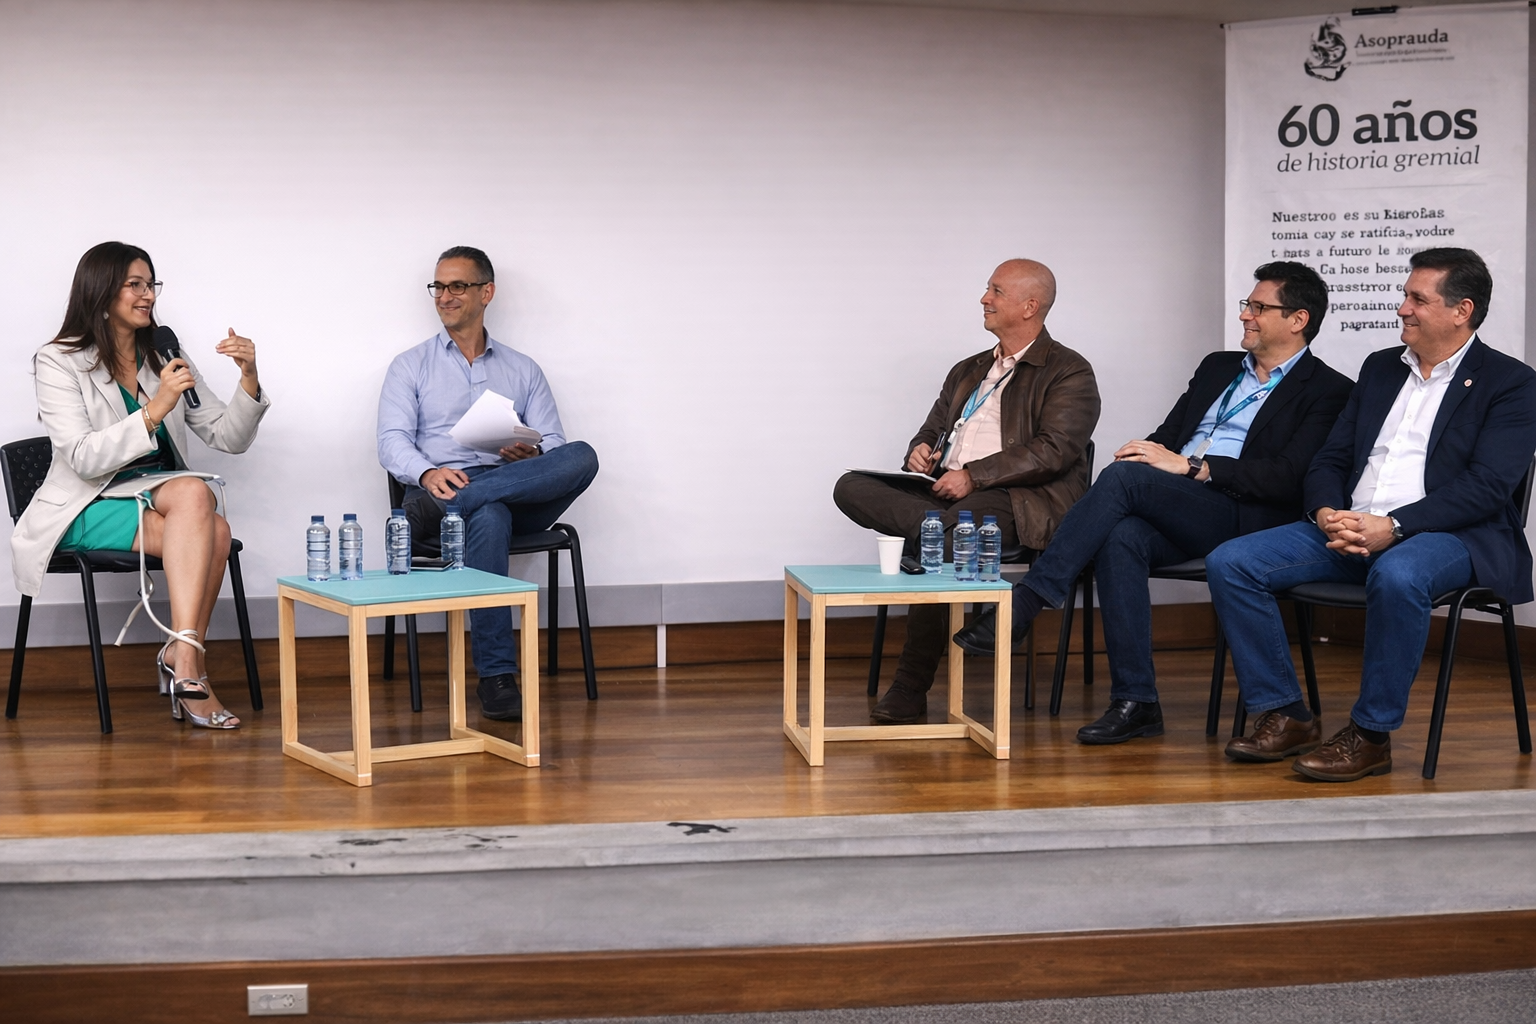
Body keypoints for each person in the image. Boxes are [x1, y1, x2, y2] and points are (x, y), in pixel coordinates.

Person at [953, 262, 1354, 744]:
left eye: (1258, 307)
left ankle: (1029, 601)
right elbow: (1170, 435)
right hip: (1182, 504)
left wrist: (1192, 468)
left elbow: (1288, 478)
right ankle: (1136, 701)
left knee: (1124, 482)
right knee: (1120, 536)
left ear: (1297, 320)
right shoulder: (1218, 367)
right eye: (1246, 305)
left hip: (1245, 516)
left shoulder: (1330, 390)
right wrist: (1146, 453)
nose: (1245, 315)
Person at [1207, 248, 1536, 780]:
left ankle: (1371, 735)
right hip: (1351, 525)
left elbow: (1488, 487)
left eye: (1417, 299)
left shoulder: (1511, 382)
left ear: (1462, 310)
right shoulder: (1381, 367)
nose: (1402, 308)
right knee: (1232, 562)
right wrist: (1325, 512)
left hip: (1448, 534)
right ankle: (1286, 713)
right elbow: (1332, 458)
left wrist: (1395, 526)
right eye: (1405, 295)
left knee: (1399, 573)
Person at [11, 241, 270, 729]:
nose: (148, 295)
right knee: (202, 507)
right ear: (101, 291)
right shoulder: (59, 360)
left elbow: (227, 437)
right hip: (86, 503)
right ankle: (188, 661)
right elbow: (83, 458)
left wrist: (249, 378)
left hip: (157, 496)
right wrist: (155, 409)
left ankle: (182, 654)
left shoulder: (163, 354)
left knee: (210, 523)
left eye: (151, 284)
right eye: (135, 284)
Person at [832, 258, 1100, 723]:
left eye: (996, 291)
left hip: (1016, 499)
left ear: (1029, 306)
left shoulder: (1069, 371)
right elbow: (933, 428)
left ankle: (910, 688)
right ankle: (934, 531)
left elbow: (1054, 451)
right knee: (850, 485)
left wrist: (975, 476)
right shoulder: (969, 369)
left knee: (940, 543)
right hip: (943, 493)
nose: (984, 299)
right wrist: (919, 452)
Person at [377, 246, 599, 722]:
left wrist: (532, 456)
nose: (445, 296)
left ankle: (470, 498)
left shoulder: (523, 368)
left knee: (583, 455)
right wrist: (429, 473)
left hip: (513, 487)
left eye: (457, 285)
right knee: (490, 515)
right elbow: (391, 443)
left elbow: (556, 445)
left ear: (486, 292)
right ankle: (497, 676)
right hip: (439, 491)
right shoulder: (410, 365)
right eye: (439, 286)